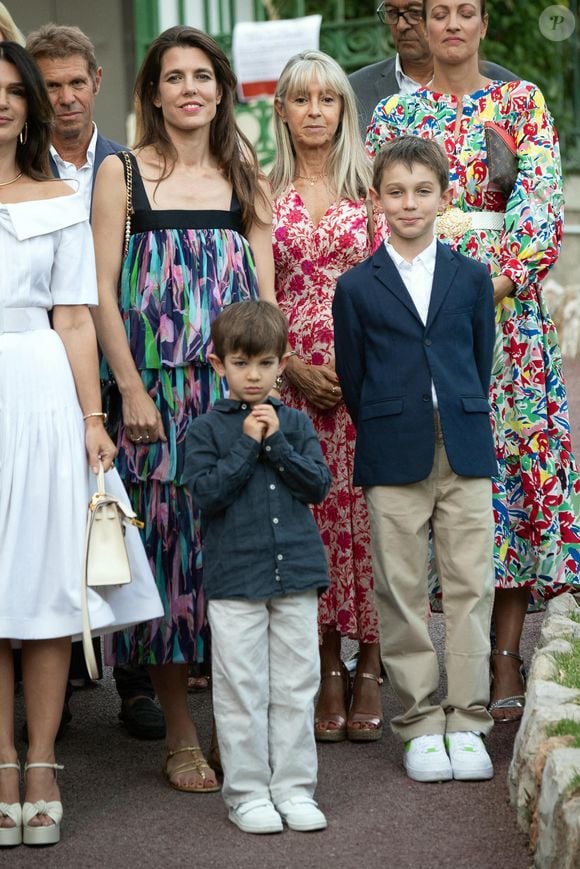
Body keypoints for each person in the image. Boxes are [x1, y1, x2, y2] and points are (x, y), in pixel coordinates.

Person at [365, 0, 580, 723]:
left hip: (504, 316)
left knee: (509, 475)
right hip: (420, 315)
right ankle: (437, 662)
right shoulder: (396, 115)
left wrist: (493, 282)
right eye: (439, 12)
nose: (452, 23)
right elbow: (380, 213)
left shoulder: (520, 101)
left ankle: (504, 653)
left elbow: (541, 203)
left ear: (484, 24)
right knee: (430, 476)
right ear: (420, 25)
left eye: (466, 11)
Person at [91, 25, 276, 793]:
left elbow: (266, 305)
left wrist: (268, 394)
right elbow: (99, 291)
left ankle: (237, 723)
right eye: (175, 77)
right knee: (169, 561)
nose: (190, 88)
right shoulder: (122, 175)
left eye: (203, 74)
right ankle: (177, 731)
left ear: (222, 88)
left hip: (230, 403)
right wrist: (129, 387)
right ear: (154, 92)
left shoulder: (245, 174)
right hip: (155, 404)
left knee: (230, 560)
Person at [0, 41, 162, 847]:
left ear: (27, 104)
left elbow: (74, 318)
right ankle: (0, 760)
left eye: (10, 91)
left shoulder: (59, 196)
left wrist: (93, 418)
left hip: (39, 396)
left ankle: (40, 760)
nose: (1, 103)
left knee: (46, 585)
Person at [333, 136, 496, 782]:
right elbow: (353, 374)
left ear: (444, 197)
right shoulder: (356, 287)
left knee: (468, 585)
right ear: (376, 199)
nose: (409, 203)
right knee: (401, 589)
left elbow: (478, 360)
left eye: (422, 191)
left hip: (463, 443)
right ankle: (422, 722)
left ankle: (468, 719)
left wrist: (455, 411)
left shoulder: (472, 276)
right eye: (395, 192)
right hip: (390, 446)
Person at [271, 50, 387, 743]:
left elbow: (387, 281)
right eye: (301, 99)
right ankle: (325, 665)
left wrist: (361, 366)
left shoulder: (371, 186)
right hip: (289, 381)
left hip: (362, 377)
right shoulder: (259, 186)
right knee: (310, 521)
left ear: (345, 109)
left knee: (368, 520)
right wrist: (286, 363)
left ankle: (369, 661)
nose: (315, 111)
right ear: (280, 109)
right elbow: (257, 289)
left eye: (329, 99)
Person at [184, 300, 330, 834]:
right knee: (241, 687)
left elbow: (317, 485)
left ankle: (294, 788)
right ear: (219, 364)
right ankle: (246, 793)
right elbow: (207, 494)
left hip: (296, 576)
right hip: (235, 580)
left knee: (295, 686)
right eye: (241, 363)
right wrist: (248, 445)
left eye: (265, 363)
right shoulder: (205, 431)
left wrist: (279, 446)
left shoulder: (293, 423)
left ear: (282, 363)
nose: (254, 375)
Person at [348, 0, 516, 138]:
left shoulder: (512, 93)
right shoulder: (354, 90)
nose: (401, 25)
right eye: (392, 13)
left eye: (414, 13)